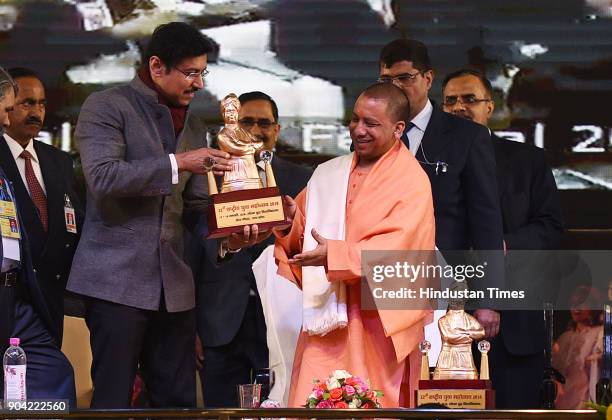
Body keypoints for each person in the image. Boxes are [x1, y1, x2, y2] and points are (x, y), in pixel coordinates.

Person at [65, 22, 256, 409]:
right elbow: (102, 178)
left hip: (175, 290)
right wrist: (178, 162)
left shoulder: (196, 125)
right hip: (115, 283)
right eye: (190, 72)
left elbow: (198, 208)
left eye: (203, 72)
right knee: (114, 401)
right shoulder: (106, 106)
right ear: (156, 66)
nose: (198, 83)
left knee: (178, 402)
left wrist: (231, 236)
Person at [274, 83, 435, 407]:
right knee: (311, 401)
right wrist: (292, 222)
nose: (358, 130)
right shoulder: (329, 173)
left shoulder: (411, 180)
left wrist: (333, 254)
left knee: (372, 403)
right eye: (355, 119)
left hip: (378, 324)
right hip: (326, 318)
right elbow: (305, 238)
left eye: (371, 123)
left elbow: (399, 250)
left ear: (398, 128)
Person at [442, 68, 564, 408]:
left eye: (469, 99)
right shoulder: (427, 164)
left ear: (490, 108)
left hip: (514, 325)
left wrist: (503, 246)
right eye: (450, 101)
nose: (459, 107)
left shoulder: (527, 160)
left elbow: (551, 226)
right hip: (441, 325)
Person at [378, 40, 504, 336]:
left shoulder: (467, 137)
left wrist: (489, 299)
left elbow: (486, 222)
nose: (394, 87)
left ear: (428, 78)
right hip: (382, 281)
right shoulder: (373, 134)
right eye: (386, 80)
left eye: (404, 78)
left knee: (437, 378)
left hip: (446, 286)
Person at [196, 91, 312, 407]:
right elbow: (195, 245)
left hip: (281, 315)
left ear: (277, 129)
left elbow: (310, 244)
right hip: (220, 318)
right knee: (221, 411)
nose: (256, 130)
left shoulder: (303, 179)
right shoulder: (212, 173)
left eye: (264, 122)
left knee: (282, 406)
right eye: (248, 121)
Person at [0, 65, 76, 406]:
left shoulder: (58, 162)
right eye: (20, 104)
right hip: (13, 298)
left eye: (42, 104)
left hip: (34, 298)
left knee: (52, 378)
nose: (36, 112)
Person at [553, 286, 603, 409]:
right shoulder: (564, 338)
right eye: (573, 303)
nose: (576, 307)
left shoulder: (600, 333)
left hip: (586, 401)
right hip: (562, 402)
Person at [217, 93, 264, 192]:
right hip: (234, 174)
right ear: (223, 113)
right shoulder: (223, 135)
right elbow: (237, 148)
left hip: (251, 172)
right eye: (228, 111)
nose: (231, 114)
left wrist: (251, 145)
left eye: (233, 111)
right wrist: (251, 146)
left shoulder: (244, 132)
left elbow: (259, 143)